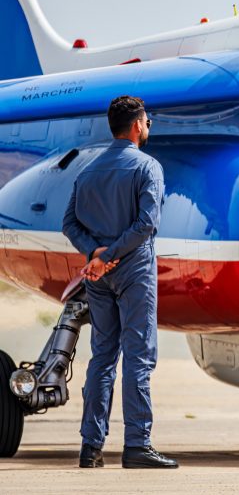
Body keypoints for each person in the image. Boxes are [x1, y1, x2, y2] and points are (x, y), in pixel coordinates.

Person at [62, 96, 177, 469]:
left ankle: (90, 447)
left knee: (103, 358)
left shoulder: (87, 171)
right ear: (136, 125)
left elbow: (69, 225)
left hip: (98, 276)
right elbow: (146, 224)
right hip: (133, 270)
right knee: (139, 357)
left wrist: (95, 255)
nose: (149, 126)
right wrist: (111, 255)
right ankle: (137, 446)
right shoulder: (148, 168)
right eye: (146, 120)